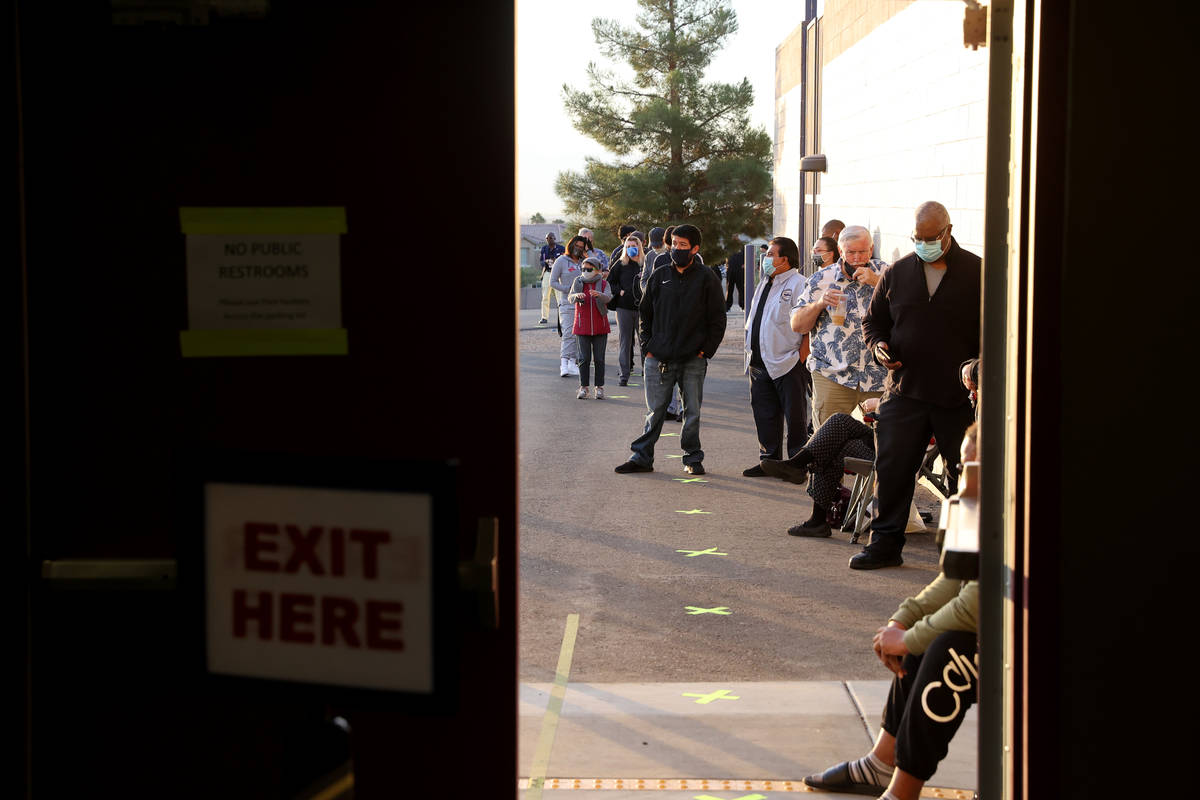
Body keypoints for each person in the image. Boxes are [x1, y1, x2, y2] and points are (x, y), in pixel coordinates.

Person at [803, 426, 979, 800]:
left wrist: (913, 636)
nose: (962, 474)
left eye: (971, 464)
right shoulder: (981, 506)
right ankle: (880, 766)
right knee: (923, 642)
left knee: (950, 652)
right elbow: (953, 580)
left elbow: (981, 600)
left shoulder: (1024, 509)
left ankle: (903, 791)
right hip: (1003, 630)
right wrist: (904, 620)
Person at [852, 201, 980, 570]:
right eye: (917, 238)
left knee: (965, 475)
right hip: (904, 390)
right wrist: (878, 347)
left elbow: (997, 330)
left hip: (958, 397)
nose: (923, 243)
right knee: (892, 470)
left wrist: (981, 365)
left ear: (948, 231)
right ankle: (885, 545)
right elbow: (873, 323)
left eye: (930, 237)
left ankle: (961, 554)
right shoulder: (898, 272)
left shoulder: (977, 272)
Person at [615, 223, 725, 476]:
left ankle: (692, 458)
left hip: (693, 359)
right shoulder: (659, 274)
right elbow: (646, 313)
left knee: (692, 412)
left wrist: (704, 351)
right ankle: (642, 457)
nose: (676, 249)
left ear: (695, 249)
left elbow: (717, 320)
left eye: (682, 246)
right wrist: (647, 347)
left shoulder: (707, 278)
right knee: (655, 412)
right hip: (658, 357)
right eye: (673, 244)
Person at [789, 225, 888, 430]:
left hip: (879, 376)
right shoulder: (821, 279)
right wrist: (819, 304)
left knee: (883, 444)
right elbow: (797, 325)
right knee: (827, 441)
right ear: (841, 252)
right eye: (851, 252)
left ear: (871, 250)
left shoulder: (887, 273)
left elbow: (910, 307)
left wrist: (877, 282)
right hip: (833, 374)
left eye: (863, 251)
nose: (857, 258)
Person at [742, 236, 809, 477]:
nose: (765, 259)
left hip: (788, 361)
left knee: (796, 416)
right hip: (759, 361)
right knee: (764, 412)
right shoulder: (765, 282)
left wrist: (800, 358)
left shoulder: (799, 283)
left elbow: (808, 325)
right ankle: (768, 461)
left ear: (785, 259)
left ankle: (798, 464)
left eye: (770, 254)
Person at [762, 399, 878, 535]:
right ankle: (797, 465)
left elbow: (905, 409)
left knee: (833, 444)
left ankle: (817, 519)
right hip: (883, 435)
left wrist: (880, 403)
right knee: (838, 423)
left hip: (895, 451)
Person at [567, 257, 612, 399]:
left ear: (597, 270)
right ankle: (583, 387)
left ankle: (599, 387)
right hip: (582, 327)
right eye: (583, 269)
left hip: (600, 327)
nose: (585, 272)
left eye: (589, 269)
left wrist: (600, 295)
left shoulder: (604, 283)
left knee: (599, 359)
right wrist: (576, 296)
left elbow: (609, 298)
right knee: (583, 358)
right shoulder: (578, 282)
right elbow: (570, 297)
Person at [606, 231, 647, 387]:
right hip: (624, 309)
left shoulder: (645, 262)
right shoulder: (620, 264)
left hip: (642, 309)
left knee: (644, 341)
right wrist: (619, 291)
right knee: (625, 342)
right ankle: (624, 375)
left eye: (633, 246)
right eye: (628, 246)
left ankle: (647, 372)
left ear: (639, 246)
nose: (631, 249)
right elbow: (610, 282)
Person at [549, 235, 589, 378]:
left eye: (581, 247)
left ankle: (573, 362)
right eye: (576, 246)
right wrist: (568, 289)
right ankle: (564, 363)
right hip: (566, 303)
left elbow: (596, 271)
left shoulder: (584, 262)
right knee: (568, 333)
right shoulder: (561, 261)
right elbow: (552, 282)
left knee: (578, 334)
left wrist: (587, 255)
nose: (578, 249)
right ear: (570, 245)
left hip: (582, 304)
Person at [539, 232, 564, 325]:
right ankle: (544, 317)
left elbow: (565, 259)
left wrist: (556, 261)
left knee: (559, 296)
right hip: (547, 272)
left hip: (558, 274)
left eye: (551, 238)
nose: (549, 240)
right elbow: (541, 261)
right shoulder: (544, 249)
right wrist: (545, 261)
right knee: (545, 296)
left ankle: (562, 316)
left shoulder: (561, 248)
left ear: (554, 238)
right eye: (547, 238)